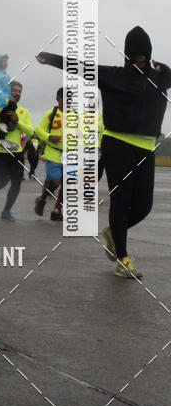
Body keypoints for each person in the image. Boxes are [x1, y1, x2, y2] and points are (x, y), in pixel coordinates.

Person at [37, 26, 171, 278]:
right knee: (121, 202)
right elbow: (78, 66)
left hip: (146, 146)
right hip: (116, 143)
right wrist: (50, 58)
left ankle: (113, 233)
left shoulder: (161, 78)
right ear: (127, 54)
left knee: (144, 206)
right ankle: (123, 259)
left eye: (145, 52)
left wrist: (164, 66)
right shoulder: (113, 75)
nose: (141, 56)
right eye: (136, 52)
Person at [0, 82, 33, 220]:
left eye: (19, 91)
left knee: (16, 182)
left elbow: (30, 131)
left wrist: (18, 120)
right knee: (2, 181)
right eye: (14, 91)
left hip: (16, 152)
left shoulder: (24, 111)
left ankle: (6, 211)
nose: (17, 93)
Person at [33, 87, 65, 221]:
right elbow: (39, 130)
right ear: (57, 98)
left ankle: (57, 211)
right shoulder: (50, 114)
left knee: (67, 184)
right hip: (53, 152)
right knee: (56, 182)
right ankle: (42, 198)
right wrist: (49, 136)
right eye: (64, 97)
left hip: (71, 154)